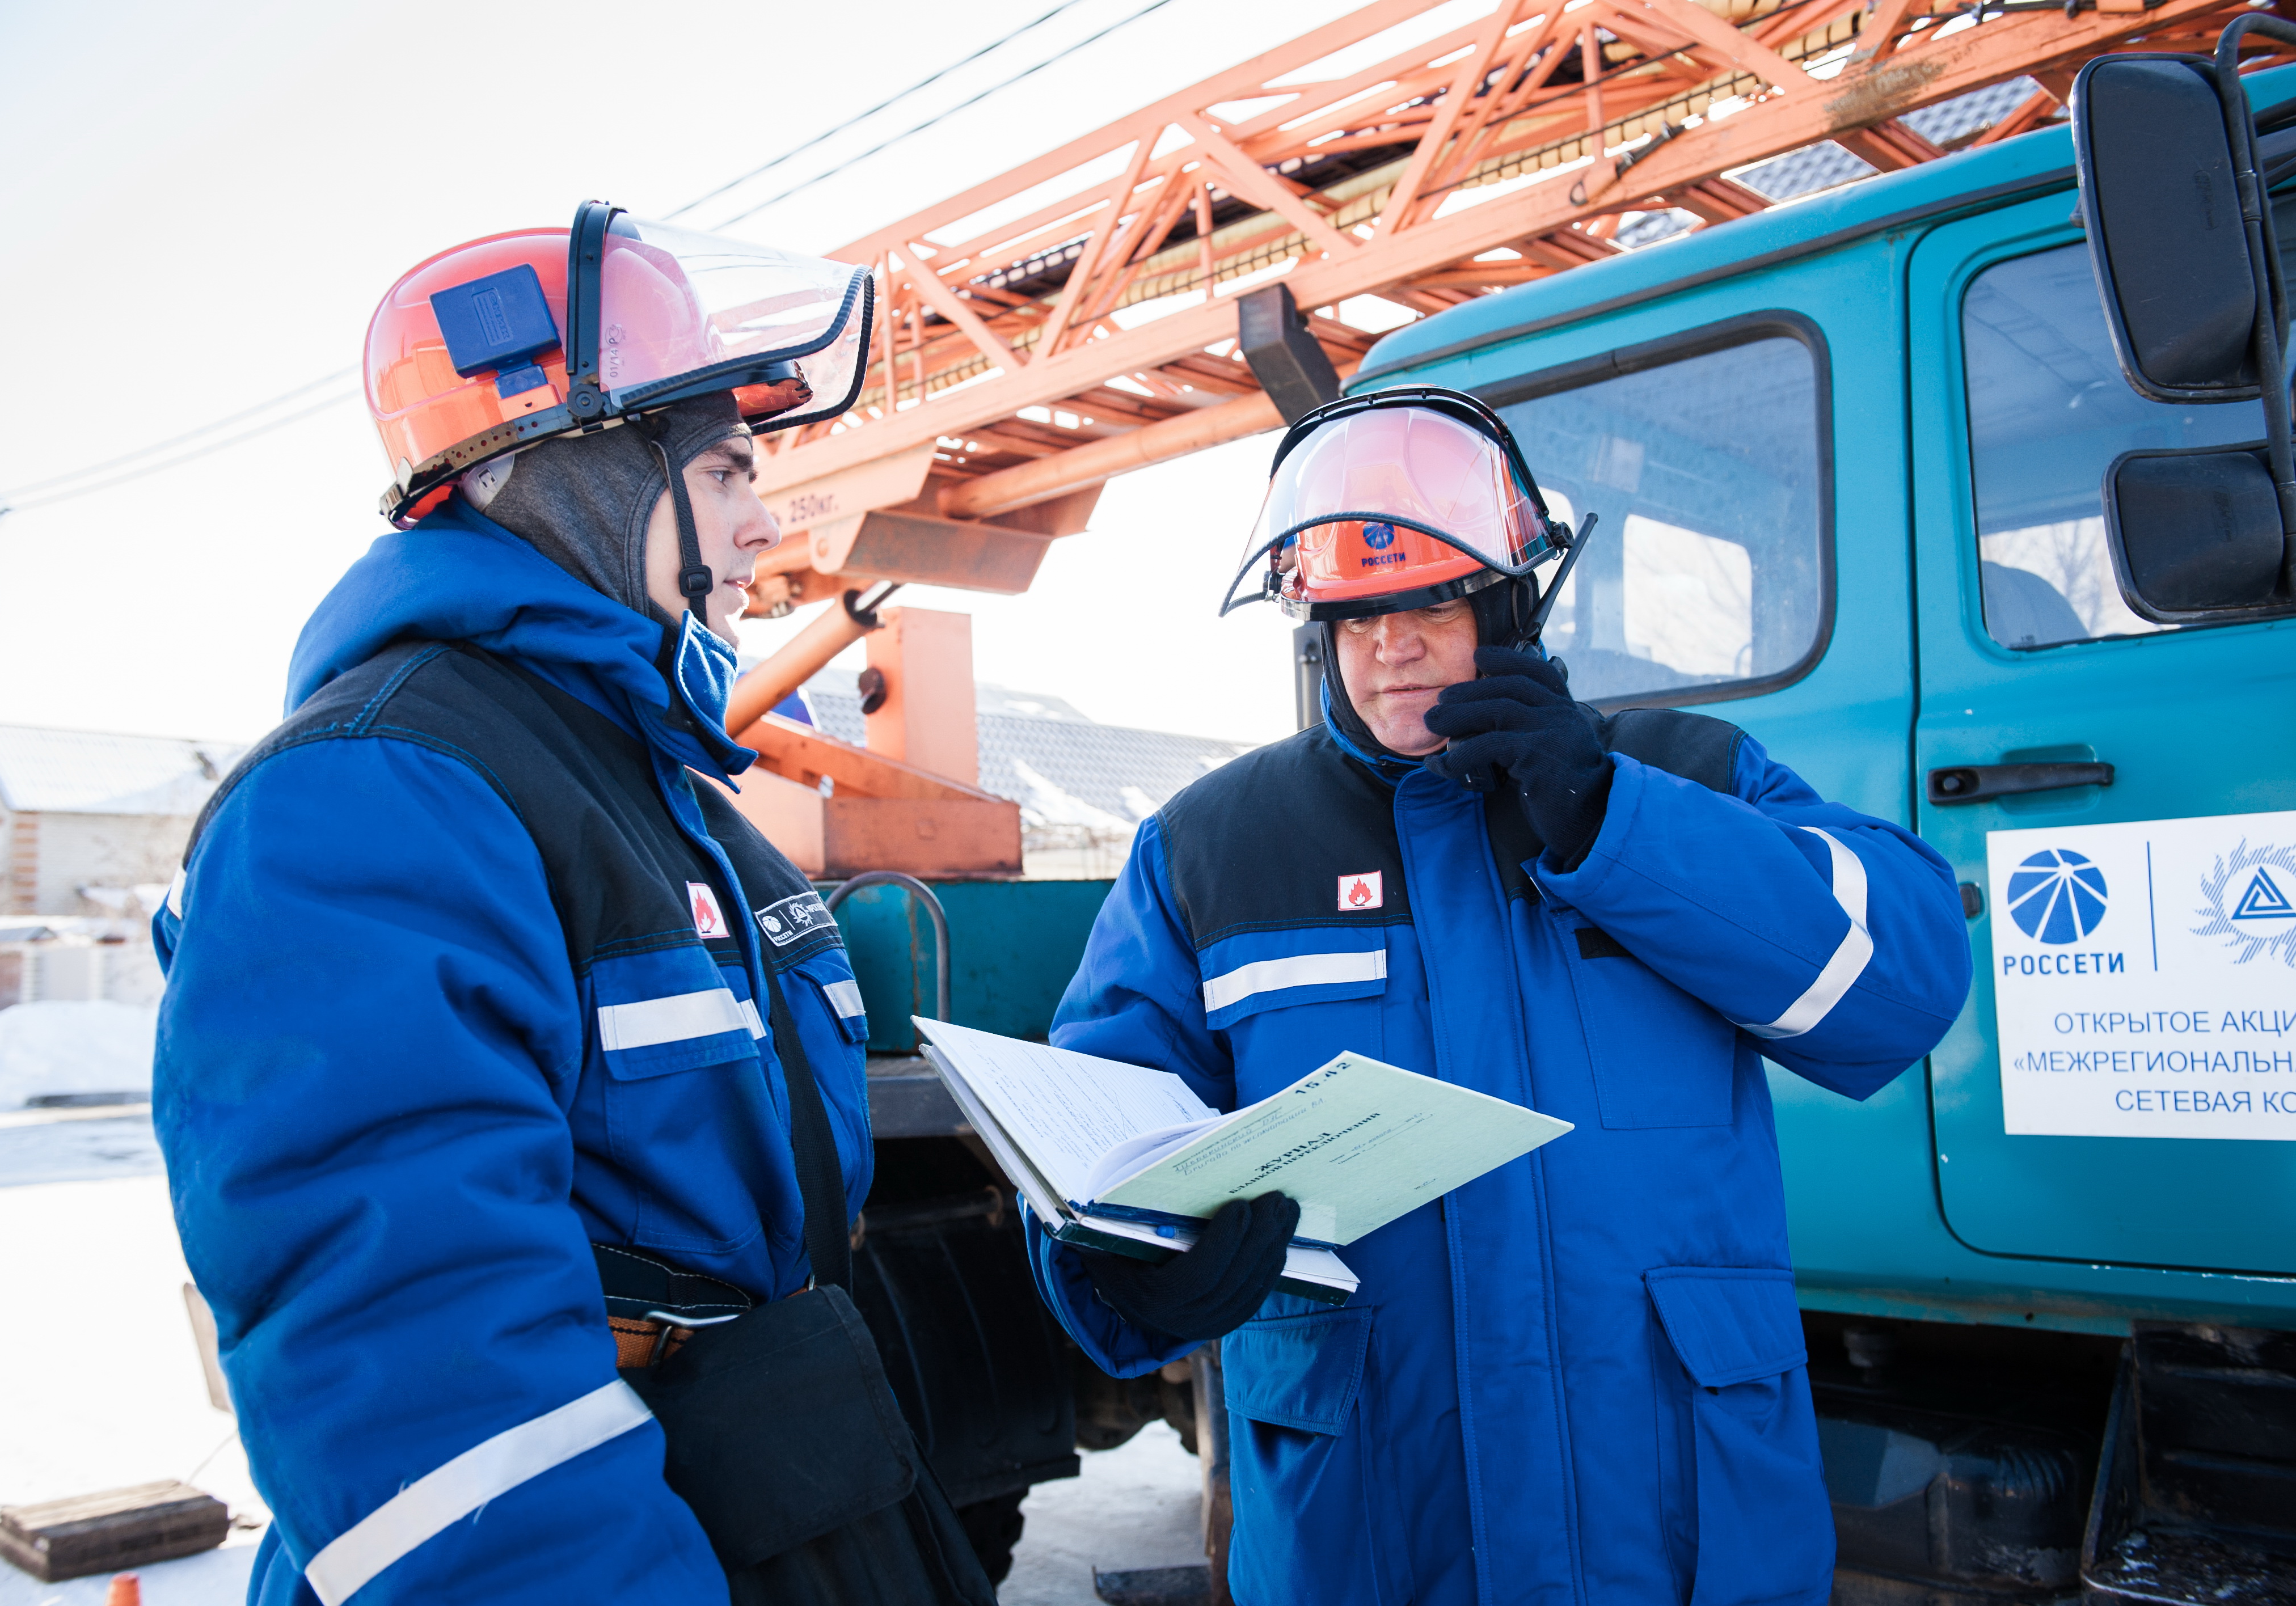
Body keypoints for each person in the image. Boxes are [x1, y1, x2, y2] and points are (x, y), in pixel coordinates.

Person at [153, 205, 990, 1604]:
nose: (762, 520)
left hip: (773, 1500)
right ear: (579, 474)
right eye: (723, 468)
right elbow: (412, 1359)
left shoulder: (660, 795)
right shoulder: (373, 796)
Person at [1027, 387, 1973, 1605]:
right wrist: (1126, 1267)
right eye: (1353, 617)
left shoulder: (1685, 777)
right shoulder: (1212, 847)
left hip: (1680, 1531)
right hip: (1371, 1532)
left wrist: (1613, 820)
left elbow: (1896, 987)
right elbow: (1096, 1131)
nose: (1390, 647)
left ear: (1513, 598)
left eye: (1428, 600)